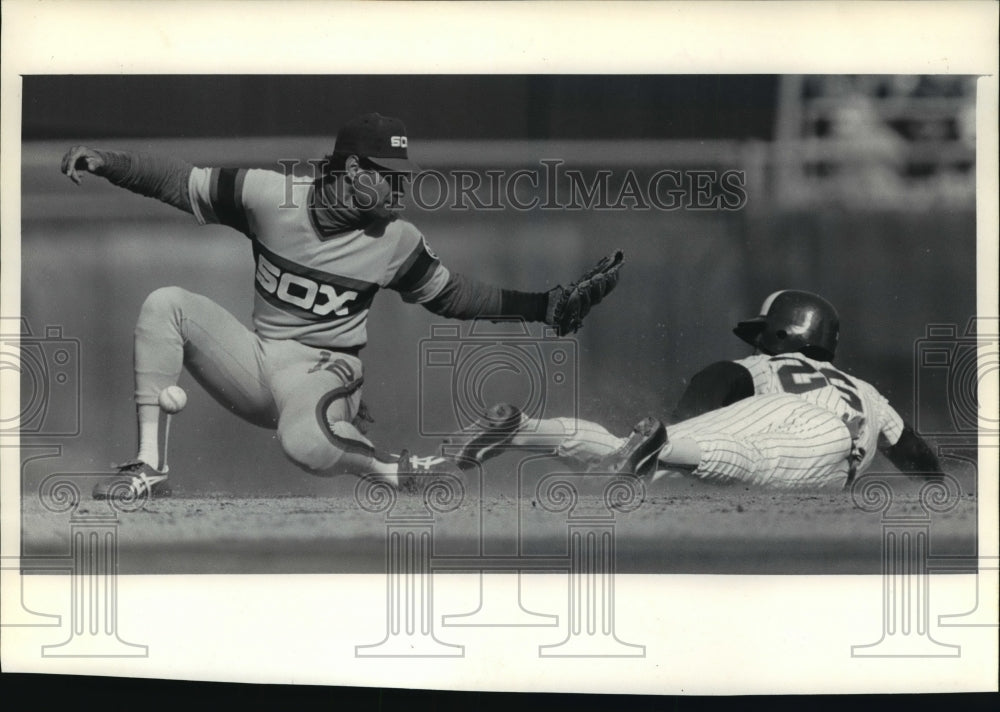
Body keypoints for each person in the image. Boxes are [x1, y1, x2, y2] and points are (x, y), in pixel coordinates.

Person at [61, 113, 622, 499]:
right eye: (389, 178)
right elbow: (178, 183)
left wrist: (544, 307)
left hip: (330, 370)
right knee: (167, 304)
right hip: (259, 363)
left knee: (304, 444)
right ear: (354, 172)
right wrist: (108, 161)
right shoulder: (269, 197)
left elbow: (452, 296)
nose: (401, 190)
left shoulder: (394, 238)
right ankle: (150, 468)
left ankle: (407, 470)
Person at [454, 290, 944, 489]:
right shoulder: (865, 390)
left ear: (782, 333)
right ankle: (659, 446)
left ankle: (525, 429)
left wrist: (678, 431)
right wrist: (939, 491)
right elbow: (916, 455)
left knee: (659, 455)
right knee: (726, 459)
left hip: (780, 422)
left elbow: (719, 380)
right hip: (826, 439)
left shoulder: (754, 368)